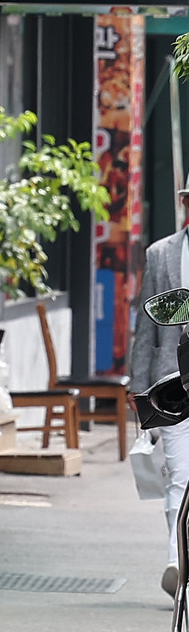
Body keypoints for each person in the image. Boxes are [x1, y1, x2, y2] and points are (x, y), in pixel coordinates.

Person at [133, 201, 189, 599]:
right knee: (180, 476)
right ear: (184, 203)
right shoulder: (160, 253)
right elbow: (146, 325)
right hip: (173, 384)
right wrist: (139, 384)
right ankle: (177, 562)